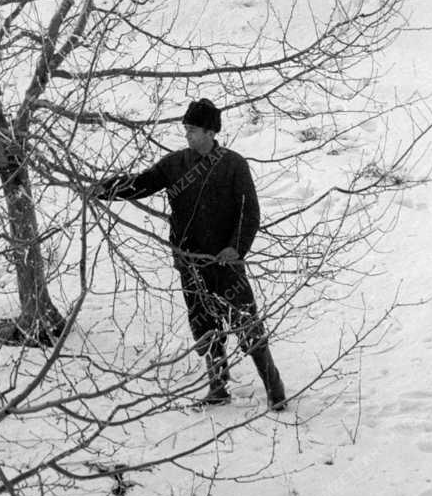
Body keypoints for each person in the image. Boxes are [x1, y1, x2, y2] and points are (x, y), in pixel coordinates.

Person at [91, 98, 287, 410]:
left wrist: (236, 248)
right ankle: (217, 385)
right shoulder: (174, 165)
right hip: (190, 262)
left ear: (210, 132)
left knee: (247, 324)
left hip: (226, 263)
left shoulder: (234, 165)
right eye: (186, 129)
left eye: (193, 129)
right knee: (205, 326)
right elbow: (140, 184)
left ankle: (274, 388)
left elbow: (250, 213)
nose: (188, 135)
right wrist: (102, 189)